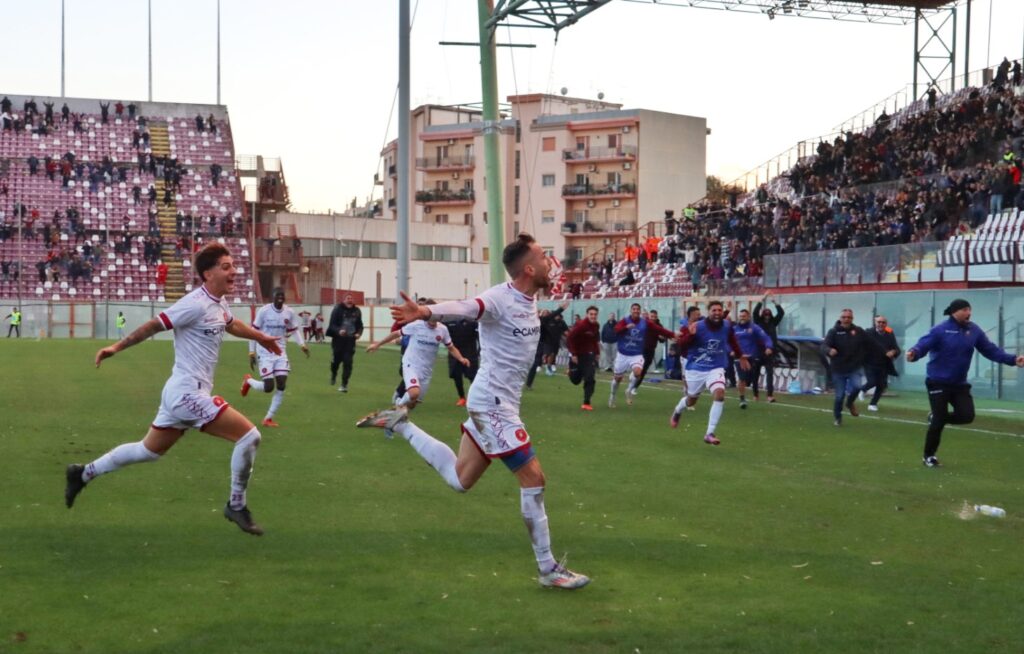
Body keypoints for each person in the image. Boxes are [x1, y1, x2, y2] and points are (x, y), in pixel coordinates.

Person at [355, 233, 589, 589]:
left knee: (460, 479)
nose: (548, 263)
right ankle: (548, 570)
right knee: (534, 480)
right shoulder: (500, 297)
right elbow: (467, 307)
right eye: (543, 257)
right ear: (528, 268)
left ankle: (401, 425)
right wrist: (426, 312)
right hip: (494, 405)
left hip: (495, 402)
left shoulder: (529, 300)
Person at [64, 243, 281, 535]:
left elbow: (231, 324)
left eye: (233, 266)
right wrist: (116, 346)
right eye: (226, 266)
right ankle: (237, 505)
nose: (234, 272)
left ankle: (83, 473)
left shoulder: (218, 302)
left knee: (147, 451)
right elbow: (154, 325)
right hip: (187, 393)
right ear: (208, 273)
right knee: (250, 437)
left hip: (181, 391)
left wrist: (261, 337)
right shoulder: (194, 303)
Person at [905, 299, 1024, 467]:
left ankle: (936, 417)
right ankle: (928, 456)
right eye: (965, 309)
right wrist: (914, 353)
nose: (969, 313)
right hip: (938, 382)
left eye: (970, 309)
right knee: (939, 420)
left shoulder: (973, 330)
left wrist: (1013, 360)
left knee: (967, 416)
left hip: (959, 383)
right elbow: (923, 344)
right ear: (955, 312)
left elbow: (990, 350)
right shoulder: (940, 329)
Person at [671, 301, 749, 445]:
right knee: (691, 400)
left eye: (719, 310)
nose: (717, 313)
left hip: (716, 367)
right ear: (708, 312)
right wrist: (690, 336)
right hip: (696, 368)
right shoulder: (697, 326)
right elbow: (681, 345)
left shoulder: (726, 325)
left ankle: (709, 433)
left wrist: (741, 355)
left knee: (719, 393)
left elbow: (732, 340)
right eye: (714, 310)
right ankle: (677, 411)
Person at [367, 313, 470, 412]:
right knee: (414, 393)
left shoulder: (442, 330)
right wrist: (377, 345)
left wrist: (461, 358)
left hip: (426, 370)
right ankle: (396, 409)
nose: (435, 319)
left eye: (437, 316)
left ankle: (395, 416)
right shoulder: (416, 325)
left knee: (412, 404)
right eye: (432, 316)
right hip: (411, 364)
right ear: (427, 316)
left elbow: (451, 347)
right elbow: (396, 334)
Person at [240, 288, 310, 427]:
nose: (280, 298)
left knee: (282, 384)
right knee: (268, 387)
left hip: (280, 352)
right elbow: (253, 332)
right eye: (277, 295)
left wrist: (302, 345)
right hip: (265, 351)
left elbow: (294, 331)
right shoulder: (264, 311)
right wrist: (251, 352)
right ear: (272, 297)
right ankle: (249, 381)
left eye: (282, 295)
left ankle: (268, 418)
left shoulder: (289, 312)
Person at [609, 303, 675, 408]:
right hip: (623, 354)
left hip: (636, 354)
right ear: (631, 311)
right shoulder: (625, 320)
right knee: (617, 379)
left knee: (638, 372)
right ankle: (612, 396)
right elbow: (616, 330)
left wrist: (672, 335)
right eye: (634, 309)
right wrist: (626, 327)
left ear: (640, 311)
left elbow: (659, 329)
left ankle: (629, 390)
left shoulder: (645, 322)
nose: (636, 311)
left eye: (637, 309)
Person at [822, 308, 869, 427]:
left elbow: (870, 342)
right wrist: (829, 350)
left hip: (854, 367)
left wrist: (884, 352)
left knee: (858, 386)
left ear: (852, 319)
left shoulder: (858, 331)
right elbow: (823, 346)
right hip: (838, 369)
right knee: (839, 396)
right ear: (840, 318)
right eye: (844, 317)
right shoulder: (833, 332)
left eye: (849, 317)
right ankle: (838, 417)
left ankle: (849, 403)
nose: (846, 319)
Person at [732, 309, 773, 409]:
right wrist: (731, 351)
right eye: (740, 316)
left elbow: (766, 337)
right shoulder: (734, 329)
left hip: (752, 357)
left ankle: (747, 389)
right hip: (740, 357)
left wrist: (768, 346)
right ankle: (742, 399)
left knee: (749, 381)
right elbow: (727, 341)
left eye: (744, 316)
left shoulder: (754, 328)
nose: (742, 318)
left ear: (748, 317)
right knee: (742, 378)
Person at [858, 315, 900, 412]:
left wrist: (893, 352)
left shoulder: (890, 333)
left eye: (883, 322)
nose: (881, 324)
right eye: (879, 322)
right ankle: (863, 389)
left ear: (886, 324)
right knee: (872, 381)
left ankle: (873, 404)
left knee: (881, 385)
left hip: (884, 363)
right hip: (869, 362)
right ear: (875, 322)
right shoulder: (869, 332)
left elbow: (896, 348)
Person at [566, 306, 600, 411]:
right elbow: (569, 339)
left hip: (589, 355)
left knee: (590, 378)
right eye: (591, 314)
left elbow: (595, 340)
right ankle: (570, 372)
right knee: (576, 380)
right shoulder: (581, 325)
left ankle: (586, 402)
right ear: (587, 314)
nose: (593, 316)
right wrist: (574, 354)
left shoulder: (596, 326)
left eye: (595, 314)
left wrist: (597, 352)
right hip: (577, 355)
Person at [327, 293, 363, 392]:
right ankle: (334, 374)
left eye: (351, 298)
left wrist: (359, 333)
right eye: (348, 298)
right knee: (335, 362)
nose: (350, 300)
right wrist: (339, 331)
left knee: (348, 362)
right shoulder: (337, 309)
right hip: (338, 341)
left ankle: (344, 384)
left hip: (350, 341)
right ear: (344, 300)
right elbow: (332, 325)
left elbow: (360, 325)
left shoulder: (357, 311)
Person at [752, 294, 784, 403]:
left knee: (769, 373)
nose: (767, 317)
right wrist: (762, 299)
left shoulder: (773, 323)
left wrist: (775, 301)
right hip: (758, 351)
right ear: (762, 315)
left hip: (770, 351)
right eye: (765, 315)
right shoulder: (757, 321)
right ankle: (755, 394)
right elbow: (755, 312)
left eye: (768, 315)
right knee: (755, 374)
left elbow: (781, 313)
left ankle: (770, 395)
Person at [445, 317, 479, 407]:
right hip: (454, 353)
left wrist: (480, 351)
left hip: (470, 354)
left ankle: (475, 398)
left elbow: (479, 337)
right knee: (456, 376)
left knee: (473, 377)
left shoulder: (473, 323)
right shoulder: (449, 323)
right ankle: (462, 398)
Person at [634, 308, 668, 392]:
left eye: (655, 317)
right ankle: (633, 379)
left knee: (644, 369)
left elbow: (663, 339)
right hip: (641, 349)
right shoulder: (644, 323)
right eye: (652, 316)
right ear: (649, 316)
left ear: (657, 317)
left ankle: (635, 387)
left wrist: (662, 337)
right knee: (639, 367)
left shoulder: (659, 326)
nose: (653, 318)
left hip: (651, 350)